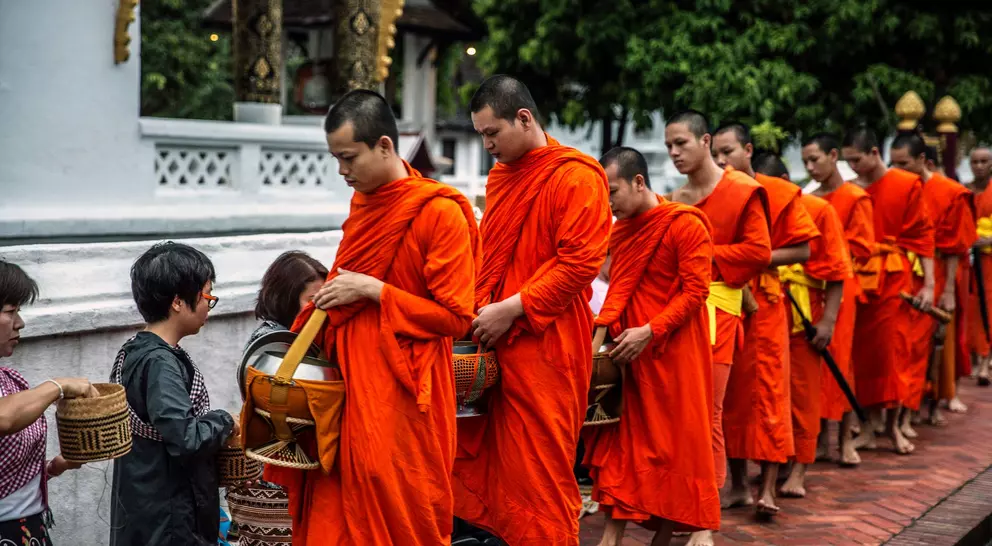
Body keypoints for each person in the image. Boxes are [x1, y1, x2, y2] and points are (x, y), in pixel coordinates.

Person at [265, 89, 480, 545]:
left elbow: (457, 318)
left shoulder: (438, 212)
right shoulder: (366, 202)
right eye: (335, 160)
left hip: (404, 393)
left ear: (384, 145)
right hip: (349, 385)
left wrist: (376, 291)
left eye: (348, 158)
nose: (342, 171)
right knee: (337, 510)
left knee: (401, 510)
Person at [452, 75, 610, 546]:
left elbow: (581, 262)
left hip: (549, 345)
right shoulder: (504, 176)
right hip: (495, 342)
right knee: (492, 464)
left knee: (540, 474)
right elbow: (491, 256)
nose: (487, 145)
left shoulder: (577, 175)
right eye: (480, 135)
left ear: (524, 118)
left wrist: (513, 309)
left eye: (491, 133)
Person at [584, 147, 719, 546]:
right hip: (628, 357)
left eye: (613, 192)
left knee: (672, 448)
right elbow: (619, 291)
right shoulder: (621, 230)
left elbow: (696, 291)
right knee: (624, 447)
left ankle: (662, 537)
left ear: (639, 182)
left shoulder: (685, 224)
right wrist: (598, 344)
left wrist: (651, 330)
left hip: (672, 353)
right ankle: (612, 537)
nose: (609, 204)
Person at [665, 111, 771, 546]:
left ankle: (705, 520)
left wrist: (700, 256)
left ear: (706, 141)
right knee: (678, 414)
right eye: (669, 146)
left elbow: (759, 252)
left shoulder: (743, 190)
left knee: (708, 412)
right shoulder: (676, 198)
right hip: (679, 314)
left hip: (719, 312)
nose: (673, 153)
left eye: (681, 144)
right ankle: (681, 506)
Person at [712, 124, 820, 516]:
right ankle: (739, 485)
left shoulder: (778, 193)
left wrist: (751, 255)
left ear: (748, 150)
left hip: (768, 303)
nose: (722, 161)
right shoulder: (715, 192)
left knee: (771, 395)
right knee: (731, 397)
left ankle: (768, 489)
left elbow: (804, 250)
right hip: (725, 300)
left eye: (729, 152)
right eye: (718, 154)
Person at [110, 242, 238, 545]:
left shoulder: (139, 350)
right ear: (178, 302)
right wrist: (226, 421)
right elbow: (185, 438)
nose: (209, 304)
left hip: (149, 507)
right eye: (207, 296)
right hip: (168, 519)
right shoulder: (159, 362)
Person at [754, 153, 851, 497]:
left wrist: (828, 320)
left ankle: (799, 470)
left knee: (803, 396)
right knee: (769, 395)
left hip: (802, 317)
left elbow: (838, 270)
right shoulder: (749, 205)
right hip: (763, 313)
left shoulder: (818, 210)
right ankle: (774, 459)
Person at [841, 127, 934, 455]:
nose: (852, 167)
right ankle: (867, 426)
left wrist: (933, 285)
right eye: (847, 161)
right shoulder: (850, 190)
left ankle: (893, 427)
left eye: (856, 160)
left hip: (894, 277)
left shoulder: (906, 183)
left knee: (893, 353)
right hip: (859, 279)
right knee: (860, 356)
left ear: (874, 154)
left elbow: (923, 235)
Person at [0, 261, 97, 545]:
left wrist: (56, 466)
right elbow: (4, 418)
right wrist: (57, 385)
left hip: (29, 529)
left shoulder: (10, 380)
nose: (20, 323)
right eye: (10, 311)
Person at [889, 134, 976, 426]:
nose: (897, 170)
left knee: (932, 341)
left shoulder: (950, 192)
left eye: (904, 164)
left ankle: (927, 403)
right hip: (902, 268)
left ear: (924, 161)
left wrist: (948, 289)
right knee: (903, 342)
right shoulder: (896, 186)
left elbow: (954, 248)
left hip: (938, 269)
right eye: (894, 163)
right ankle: (899, 409)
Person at [804, 133, 876, 466]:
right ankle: (819, 440)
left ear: (833, 156)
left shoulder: (854, 197)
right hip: (809, 288)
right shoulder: (809, 198)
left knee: (841, 362)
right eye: (805, 161)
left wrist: (828, 250)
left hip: (842, 288)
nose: (810, 167)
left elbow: (863, 248)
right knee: (814, 365)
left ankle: (845, 438)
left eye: (815, 159)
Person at [247, 250, 329, 348]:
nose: (323, 305)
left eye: (326, 298)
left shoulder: (322, 336)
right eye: (312, 300)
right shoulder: (270, 342)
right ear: (286, 301)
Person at [968, 147, 992, 384]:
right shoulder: (965, 190)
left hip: (989, 261)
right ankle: (976, 359)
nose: (979, 166)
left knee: (989, 309)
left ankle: (985, 362)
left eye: (984, 161)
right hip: (967, 260)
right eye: (975, 161)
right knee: (971, 309)